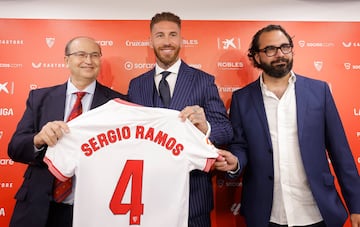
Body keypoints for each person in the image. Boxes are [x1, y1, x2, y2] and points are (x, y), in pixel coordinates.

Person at [214, 24, 360, 227]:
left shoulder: (319, 91)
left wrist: (356, 206)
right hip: (268, 214)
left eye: (285, 47)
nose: (280, 54)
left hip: (316, 211)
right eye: (270, 49)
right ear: (256, 57)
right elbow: (240, 145)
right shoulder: (242, 99)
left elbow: (340, 151)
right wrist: (236, 162)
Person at [8, 36, 127, 227]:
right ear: (66, 60)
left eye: (94, 55)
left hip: (92, 210)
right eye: (81, 54)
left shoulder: (118, 103)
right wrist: (38, 139)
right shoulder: (39, 98)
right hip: (37, 207)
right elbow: (15, 148)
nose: (88, 61)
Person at [128, 12, 233, 227]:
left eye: (172, 35)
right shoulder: (136, 85)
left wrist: (206, 127)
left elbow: (226, 130)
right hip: (147, 198)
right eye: (160, 35)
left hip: (193, 198)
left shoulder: (204, 81)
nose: (167, 41)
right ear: (150, 41)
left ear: (181, 40)